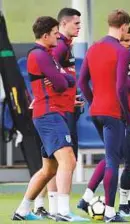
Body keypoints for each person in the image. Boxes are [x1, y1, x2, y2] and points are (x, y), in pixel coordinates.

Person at [12, 16, 86, 222]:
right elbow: (62, 83)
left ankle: (22, 210)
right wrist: (64, 78)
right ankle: (62, 212)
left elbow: (62, 80)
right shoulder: (40, 55)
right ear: (46, 35)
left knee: (49, 169)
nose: (57, 36)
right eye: (55, 33)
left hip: (51, 113)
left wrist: (64, 79)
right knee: (68, 160)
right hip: (49, 115)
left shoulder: (47, 55)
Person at [78, 9, 130, 222]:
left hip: (97, 111)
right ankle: (110, 212)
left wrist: (93, 101)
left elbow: (82, 82)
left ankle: (86, 198)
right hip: (113, 111)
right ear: (124, 26)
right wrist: (126, 113)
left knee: (113, 155)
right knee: (113, 161)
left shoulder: (93, 49)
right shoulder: (121, 51)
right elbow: (120, 87)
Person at [34, 7, 83, 219]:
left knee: (54, 162)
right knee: (65, 160)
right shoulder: (60, 46)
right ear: (63, 24)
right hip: (56, 111)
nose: (79, 27)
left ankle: (36, 205)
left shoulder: (65, 46)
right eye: (76, 23)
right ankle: (55, 208)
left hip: (62, 107)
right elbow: (50, 74)